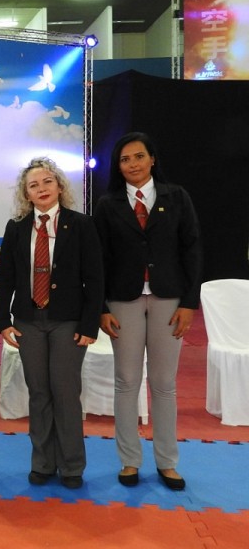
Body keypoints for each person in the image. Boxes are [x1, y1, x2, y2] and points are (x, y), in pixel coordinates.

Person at [94, 132, 202, 491]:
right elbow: (99, 260)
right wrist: (101, 308)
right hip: (122, 301)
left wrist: (189, 303)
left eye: (139, 156)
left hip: (168, 300)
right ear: (118, 166)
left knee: (164, 383)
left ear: (152, 159)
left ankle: (167, 462)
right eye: (125, 159)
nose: (133, 164)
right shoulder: (107, 204)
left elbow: (192, 250)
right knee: (126, 381)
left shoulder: (177, 197)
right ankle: (129, 461)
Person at [0, 157, 104, 490]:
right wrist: (2, 321)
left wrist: (89, 325)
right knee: (39, 393)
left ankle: (72, 466)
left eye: (47, 182)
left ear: (59, 186)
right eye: (33, 185)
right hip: (28, 321)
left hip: (67, 321)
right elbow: (6, 277)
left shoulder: (81, 224)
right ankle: (42, 462)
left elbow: (95, 277)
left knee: (66, 393)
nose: (41, 189)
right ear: (26, 194)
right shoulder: (16, 227)